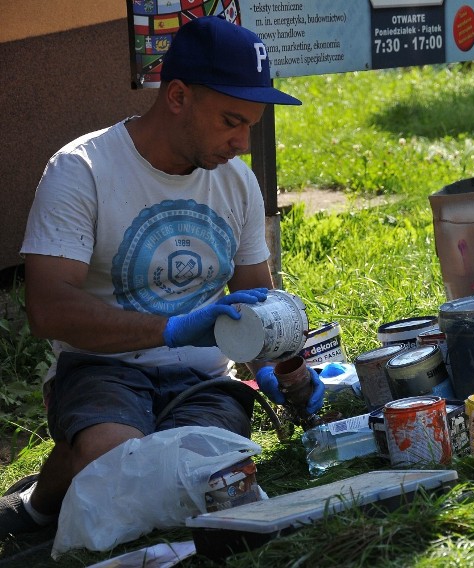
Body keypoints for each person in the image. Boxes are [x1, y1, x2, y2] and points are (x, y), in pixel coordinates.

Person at [0, 15, 324, 536]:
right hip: (101, 369)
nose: (242, 141)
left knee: (207, 472)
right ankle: (41, 504)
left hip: (204, 378)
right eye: (230, 121)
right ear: (177, 97)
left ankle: (92, 461)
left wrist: (289, 372)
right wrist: (169, 330)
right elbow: (48, 308)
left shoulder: (236, 182)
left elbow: (257, 297)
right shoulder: (82, 169)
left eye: (250, 125)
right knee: (116, 457)